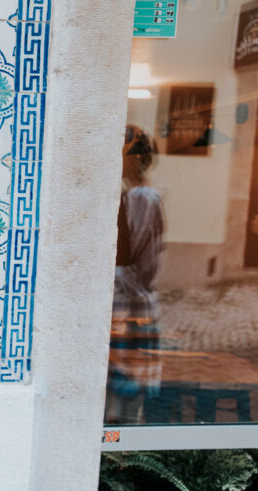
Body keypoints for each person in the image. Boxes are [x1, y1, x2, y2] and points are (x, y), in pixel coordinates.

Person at [106, 124, 166, 423]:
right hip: (121, 301)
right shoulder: (129, 194)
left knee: (126, 386)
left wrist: (115, 280)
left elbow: (144, 263)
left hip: (128, 303)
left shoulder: (143, 197)